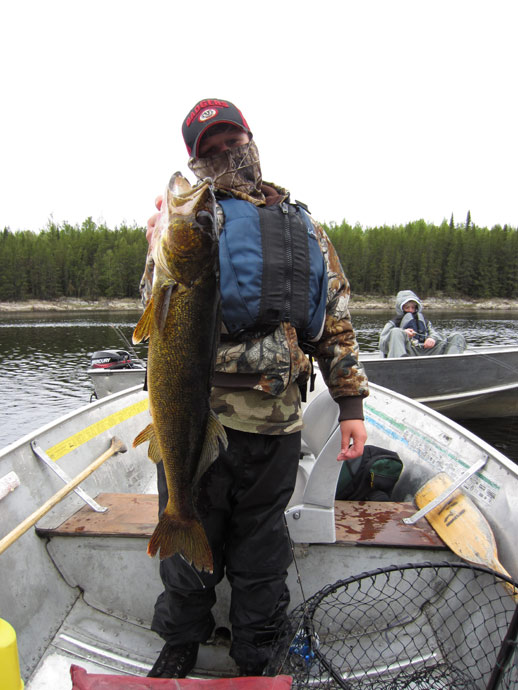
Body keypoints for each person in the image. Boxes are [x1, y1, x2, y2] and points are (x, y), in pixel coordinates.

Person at [142, 98, 369, 678]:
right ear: (195, 164)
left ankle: (257, 658)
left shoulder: (305, 226)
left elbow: (334, 320)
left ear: (250, 137)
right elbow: (158, 312)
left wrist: (349, 403)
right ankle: (180, 642)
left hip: (277, 421)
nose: (223, 154)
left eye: (230, 140)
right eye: (208, 150)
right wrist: (154, 248)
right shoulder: (193, 218)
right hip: (196, 410)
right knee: (186, 545)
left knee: (262, 551)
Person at [379, 289, 466, 358]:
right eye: (407, 307)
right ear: (401, 308)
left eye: (413, 307)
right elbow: (382, 344)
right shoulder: (393, 323)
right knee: (395, 332)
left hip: (426, 350)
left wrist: (432, 339)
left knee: (457, 336)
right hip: (408, 352)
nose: (411, 310)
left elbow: (434, 333)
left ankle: (451, 365)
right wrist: (403, 333)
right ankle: (399, 368)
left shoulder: (425, 321)